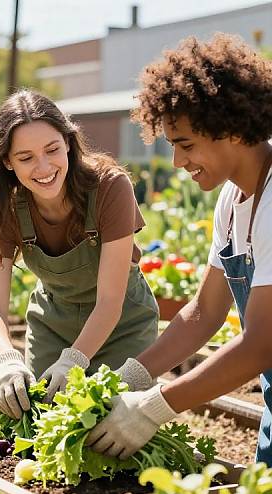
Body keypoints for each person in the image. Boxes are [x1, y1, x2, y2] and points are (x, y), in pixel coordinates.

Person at [85, 33, 272, 465]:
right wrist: (133, 376)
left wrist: (155, 407)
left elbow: (263, 343)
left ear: (231, 129)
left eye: (185, 144)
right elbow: (204, 312)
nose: (177, 162)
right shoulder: (233, 201)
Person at [0, 89, 159, 419]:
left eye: (52, 149)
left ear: (69, 143)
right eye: (26, 157)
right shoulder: (7, 206)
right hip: (53, 325)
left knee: (115, 425)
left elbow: (110, 301)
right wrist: (5, 358)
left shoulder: (109, 187)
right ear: (7, 161)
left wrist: (74, 359)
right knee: (41, 423)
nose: (43, 167)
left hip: (122, 324)